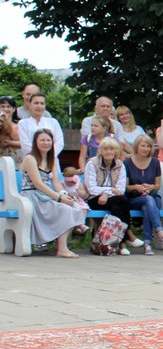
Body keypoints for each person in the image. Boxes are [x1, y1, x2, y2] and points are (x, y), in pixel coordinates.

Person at [19, 129, 84, 257]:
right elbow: (38, 184)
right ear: (35, 142)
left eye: (48, 140)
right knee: (65, 210)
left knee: (75, 207)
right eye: (42, 140)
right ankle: (62, 248)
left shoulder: (52, 159)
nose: (46, 143)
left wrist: (64, 195)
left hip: (46, 196)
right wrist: (59, 198)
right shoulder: (30, 158)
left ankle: (61, 245)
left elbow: (55, 182)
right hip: (32, 196)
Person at [83, 137, 133, 255]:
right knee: (123, 200)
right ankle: (127, 237)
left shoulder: (120, 165)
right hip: (94, 199)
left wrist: (106, 193)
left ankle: (121, 244)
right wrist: (110, 190)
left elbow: (120, 189)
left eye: (111, 149)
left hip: (112, 200)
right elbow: (91, 188)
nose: (108, 152)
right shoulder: (92, 163)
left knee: (116, 207)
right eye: (105, 149)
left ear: (116, 151)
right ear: (100, 150)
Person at [124, 135, 163, 254]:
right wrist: (137, 187)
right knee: (148, 201)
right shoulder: (127, 163)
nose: (146, 149)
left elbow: (157, 186)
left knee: (148, 203)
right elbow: (125, 187)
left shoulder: (155, 162)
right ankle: (160, 233)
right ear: (137, 146)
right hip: (134, 199)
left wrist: (150, 187)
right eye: (143, 146)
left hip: (151, 197)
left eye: (148, 146)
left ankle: (147, 244)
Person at [18, 93, 64, 159]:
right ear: (30, 105)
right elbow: (25, 145)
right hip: (31, 160)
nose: (39, 106)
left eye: (42, 103)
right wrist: (39, 156)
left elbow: (59, 143)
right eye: (36, 103)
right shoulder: (23, 123)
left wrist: (49, 156)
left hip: (51, 159)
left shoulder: (53, 122)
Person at [0, 95, 21, 162]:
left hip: (18, 158)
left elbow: (26, 142)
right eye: (2, 106)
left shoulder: (20, 125)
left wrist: (10, 142)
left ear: (14, 109)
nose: (5, 109)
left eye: (8, 106)